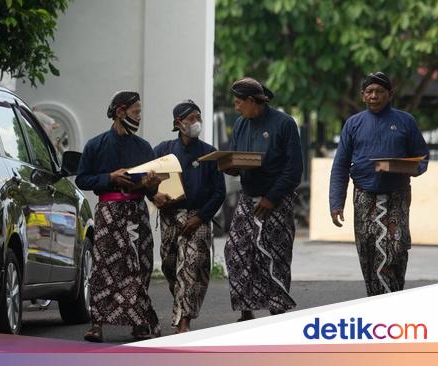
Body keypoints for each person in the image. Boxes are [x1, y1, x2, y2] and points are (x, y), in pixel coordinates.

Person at [329, 72, 429, 296]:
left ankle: (392, 300)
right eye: (369, 92)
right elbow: (340, 166)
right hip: (364, 198)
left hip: (397, 196)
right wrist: (336, 203)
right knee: (368, 250)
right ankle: (375, 301)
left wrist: (408, 168)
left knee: (395, 248)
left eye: (380, 91)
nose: (374, 96)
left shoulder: (405, 121)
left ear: (390, 94)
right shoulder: (353, 124)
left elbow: (423, 159)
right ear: (363, 95)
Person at [76, 91, 161, 342]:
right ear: (120, 112)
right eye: (135, 112)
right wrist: (110, 178)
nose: (138, 116)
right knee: (104, 267)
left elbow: (151, 190)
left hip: (137, 213)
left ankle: (138, 322)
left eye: (140, 112)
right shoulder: (96, 145)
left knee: (140, 265)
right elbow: (82, 178)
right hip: (108, 214)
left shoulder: (143, 147)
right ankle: (97, 325)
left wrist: (151, 183)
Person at [224, 77, 303, 321]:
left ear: (251, 101)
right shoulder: (240, 124)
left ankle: (277, 311)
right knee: (236, 251)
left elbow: (294, 169)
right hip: (248, 199)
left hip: (276, 201)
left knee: (274, 254)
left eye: (239, 102)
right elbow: (237, 158)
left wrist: (271, 198)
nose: (236, 107)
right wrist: (229, 166)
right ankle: (245, 311)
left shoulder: (284, 123)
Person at [152, 100, 225, 333]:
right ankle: (182, 305)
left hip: (198, 218)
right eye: (191, 118)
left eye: (199, 118)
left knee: (190, 267)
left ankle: (183, 323)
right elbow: (147, 180)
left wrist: (200, 217)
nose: (197, 123)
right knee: (171, 266)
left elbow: (219, 192)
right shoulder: (163, 150)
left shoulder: (210, 153)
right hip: (170, 217)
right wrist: (154, 195)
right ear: (178, 123)